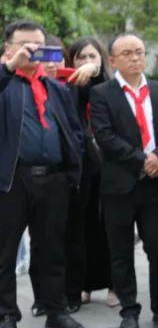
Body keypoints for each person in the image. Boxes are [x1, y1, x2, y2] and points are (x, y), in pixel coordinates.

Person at [90, 34, 158, 328]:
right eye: (127, 53)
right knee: (121, 251)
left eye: (139, 52)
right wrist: (141, 159)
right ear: (113, 60)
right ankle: (129, 310)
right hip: (120, 185)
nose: (134, 58)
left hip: (156, 184)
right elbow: (104, 136)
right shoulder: (102, 94)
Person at [0, 20, 86, 328]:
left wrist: (68, 172)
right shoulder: (5, 81)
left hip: (52, 180)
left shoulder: (54, 88)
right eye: (26, 45)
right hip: (10, 181)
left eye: (39, 46)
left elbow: (73, 131)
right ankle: (6, 315)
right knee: (5, 253)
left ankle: (55, 309)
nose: (33, 52)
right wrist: (10, 67)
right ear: (8, 47)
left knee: (52, 249)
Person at [63, 37, 113, 309]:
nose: (85, 62)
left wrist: (93, 71)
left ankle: (114, 284)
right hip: (83, 166)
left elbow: (99, 85)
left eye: (91, 56)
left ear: (101, 58)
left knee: (110, 225)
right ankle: (83, 284)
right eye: (79, 57)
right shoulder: (69, 87)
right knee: (81, 226)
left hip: (112, 164)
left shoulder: (107, 83)